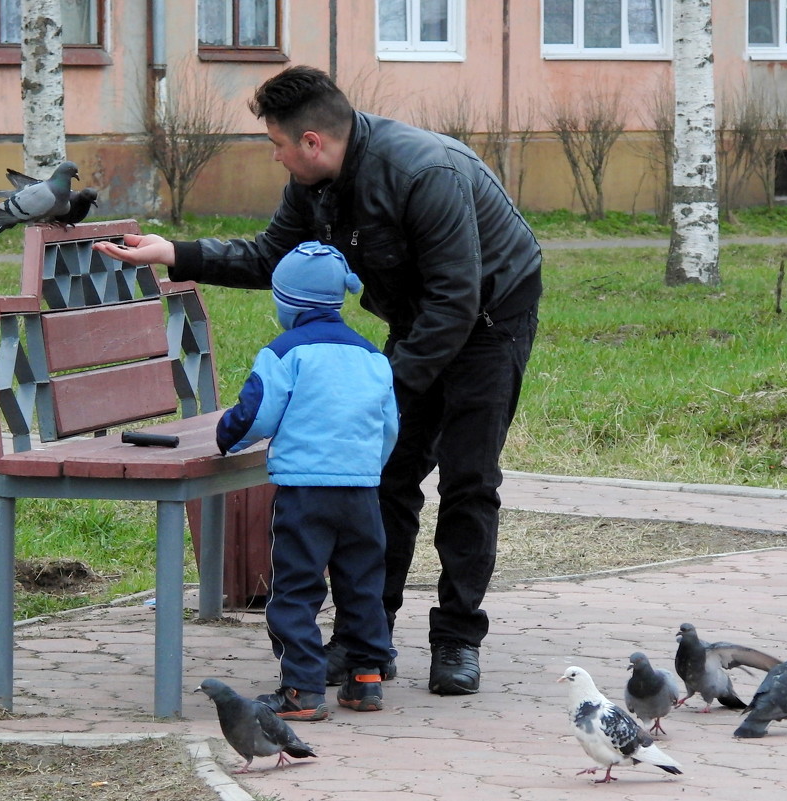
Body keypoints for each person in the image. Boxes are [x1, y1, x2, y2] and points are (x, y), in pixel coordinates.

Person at [93, 64, 542, 696]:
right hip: (420, 317)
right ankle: (367, 644)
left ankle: (458, 641)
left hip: (491, 318)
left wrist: (380, 385)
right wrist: (176, 253)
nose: (275, 158)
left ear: (311, 141)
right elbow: (271, 257)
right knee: (385, 475)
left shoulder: (423, 173)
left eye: (275, 144)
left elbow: (455, 302)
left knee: (469, 480)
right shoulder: (314, 185)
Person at [215, 240, 398, 721]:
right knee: (361, 584)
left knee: (296, 587)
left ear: (287, 302)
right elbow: (389, 425)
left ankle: (301, 689)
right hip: (361, 492)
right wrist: (366, 466)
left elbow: (256, 414)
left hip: (305, 493)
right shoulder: (371, 356)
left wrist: (226, 437)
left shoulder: (284, 352)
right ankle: (365, 680)